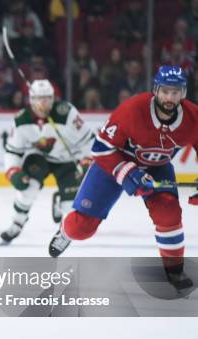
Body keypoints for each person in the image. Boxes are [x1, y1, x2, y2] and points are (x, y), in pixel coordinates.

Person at [48, 66, 198, 289]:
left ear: (183, 94)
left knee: (169, 214)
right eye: (165, 91)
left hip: (157, 167)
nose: (170, 97)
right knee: (82, 228)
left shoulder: (193, 117)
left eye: (175, 92)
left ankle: (174, 271)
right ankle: (65, 232)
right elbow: (100, 148)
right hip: (114, 163)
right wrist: (128, 172)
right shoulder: (132, 109)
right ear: (156, 90)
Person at [0, 79, 93, 244]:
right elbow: (13, 151)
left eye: (48, 98)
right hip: (39, 158)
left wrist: (86, 161)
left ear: (53, 98)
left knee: (70, 205)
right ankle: (17, 222)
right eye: (39, 98)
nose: (44, 103)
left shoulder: (67, 113)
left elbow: (88, 140)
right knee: (27, 188)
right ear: (31, 99)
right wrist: (13, 171)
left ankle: (61, 207)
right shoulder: (22, 119)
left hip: (66, 159)